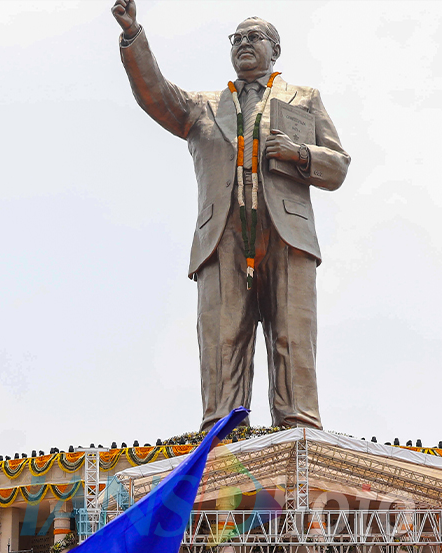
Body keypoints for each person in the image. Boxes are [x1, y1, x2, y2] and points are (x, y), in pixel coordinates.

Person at [114, 3, 349, 432]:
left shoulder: (305, 99)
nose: (243, 43)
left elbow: (338, 166)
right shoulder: (201, 106)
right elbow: (154, 93)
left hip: (287, 234)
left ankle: (299, 430)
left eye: (253, 36)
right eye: (236, 38)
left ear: (274, 50)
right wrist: (133, 36)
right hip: (222, 235)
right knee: (222, 342)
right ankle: (221, 429)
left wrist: (299, 154)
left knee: (293, 340)